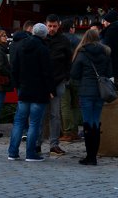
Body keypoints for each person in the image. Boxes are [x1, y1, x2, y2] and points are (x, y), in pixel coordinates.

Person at [8, 23, 53, 162]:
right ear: (44, 35)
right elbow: (47, 72)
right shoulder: (43, 49)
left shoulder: (21, 46)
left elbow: (14, 67)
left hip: (24, 88)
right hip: (39, 91)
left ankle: (13, 152)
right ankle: (30, 153)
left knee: (19, 122)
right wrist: (50, 89)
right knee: (34, 123)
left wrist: (17, 84)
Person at [69, 26, 113, 166]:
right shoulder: (105, 52)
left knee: (88, 124)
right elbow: (109, 71)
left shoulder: (81, 53)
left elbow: (74, 74)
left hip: (86, 92)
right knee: (95, 122)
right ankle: (94, 155)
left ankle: (90, 156)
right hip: (100, 92)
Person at [43, 14, 73, 156]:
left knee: (55, 114)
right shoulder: (41, 39)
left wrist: (66, 77)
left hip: (58, 81)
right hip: (42, 83)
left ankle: (54, 144)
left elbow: (69, 60)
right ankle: (37, 143)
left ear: (58, 25)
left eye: (54, 26)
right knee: (42, 114)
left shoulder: (63, 41)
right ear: (46, 24)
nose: (52, 29)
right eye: (50, 26)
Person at [58, 18, 82, 142]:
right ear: (72, 28)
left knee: (65, 105)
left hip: (63, 76)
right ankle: (74, 131)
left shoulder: (59, 40)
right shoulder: (78, 41)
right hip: (77, 76)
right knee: (75, 105)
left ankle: (67, 132)